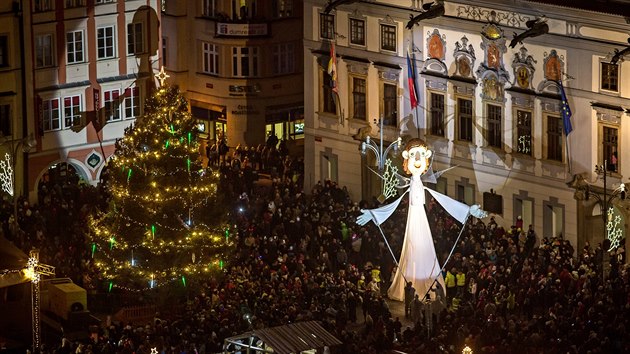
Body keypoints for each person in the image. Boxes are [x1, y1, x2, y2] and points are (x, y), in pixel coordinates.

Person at [357, 139, 486, 302]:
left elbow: (445, 201)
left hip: (421, 221)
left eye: (421, 155)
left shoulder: (420, 186)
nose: (417, 159)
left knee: (422, 246)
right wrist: (374, 214)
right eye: (413, 155)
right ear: (406, 157)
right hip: (414, 220)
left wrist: (468, 210)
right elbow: (394, 205)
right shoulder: (411, 186)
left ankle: (424, 282)